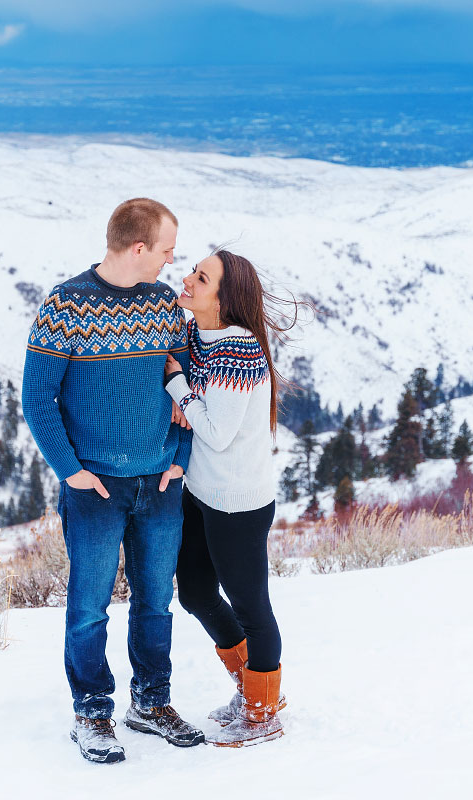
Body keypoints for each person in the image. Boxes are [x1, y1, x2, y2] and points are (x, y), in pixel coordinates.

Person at [21, 198, 204, 764]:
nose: (175, 260)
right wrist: (70, 471)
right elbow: (38, 399)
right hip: (95, 487)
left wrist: (179, 455)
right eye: (168, 249)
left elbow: (186, 392)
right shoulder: (66, 305)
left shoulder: (165, 309)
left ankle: (151, 702)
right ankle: (92, 713)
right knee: (90, 607)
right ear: (139, 247)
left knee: (155, 602)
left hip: (160, 483)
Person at [162, 249, 297, 747]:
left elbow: (216, 432)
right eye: (194, 271)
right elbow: (203, 409)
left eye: (202, 277)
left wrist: (178, 387)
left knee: (251, 608)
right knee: (195, 592)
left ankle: (263, 715)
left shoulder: (237, 350)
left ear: (223, 297)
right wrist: (188, 398)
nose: (189, 279)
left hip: (238, 502)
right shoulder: (201, 334)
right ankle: (249, 687)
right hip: (201, 491)